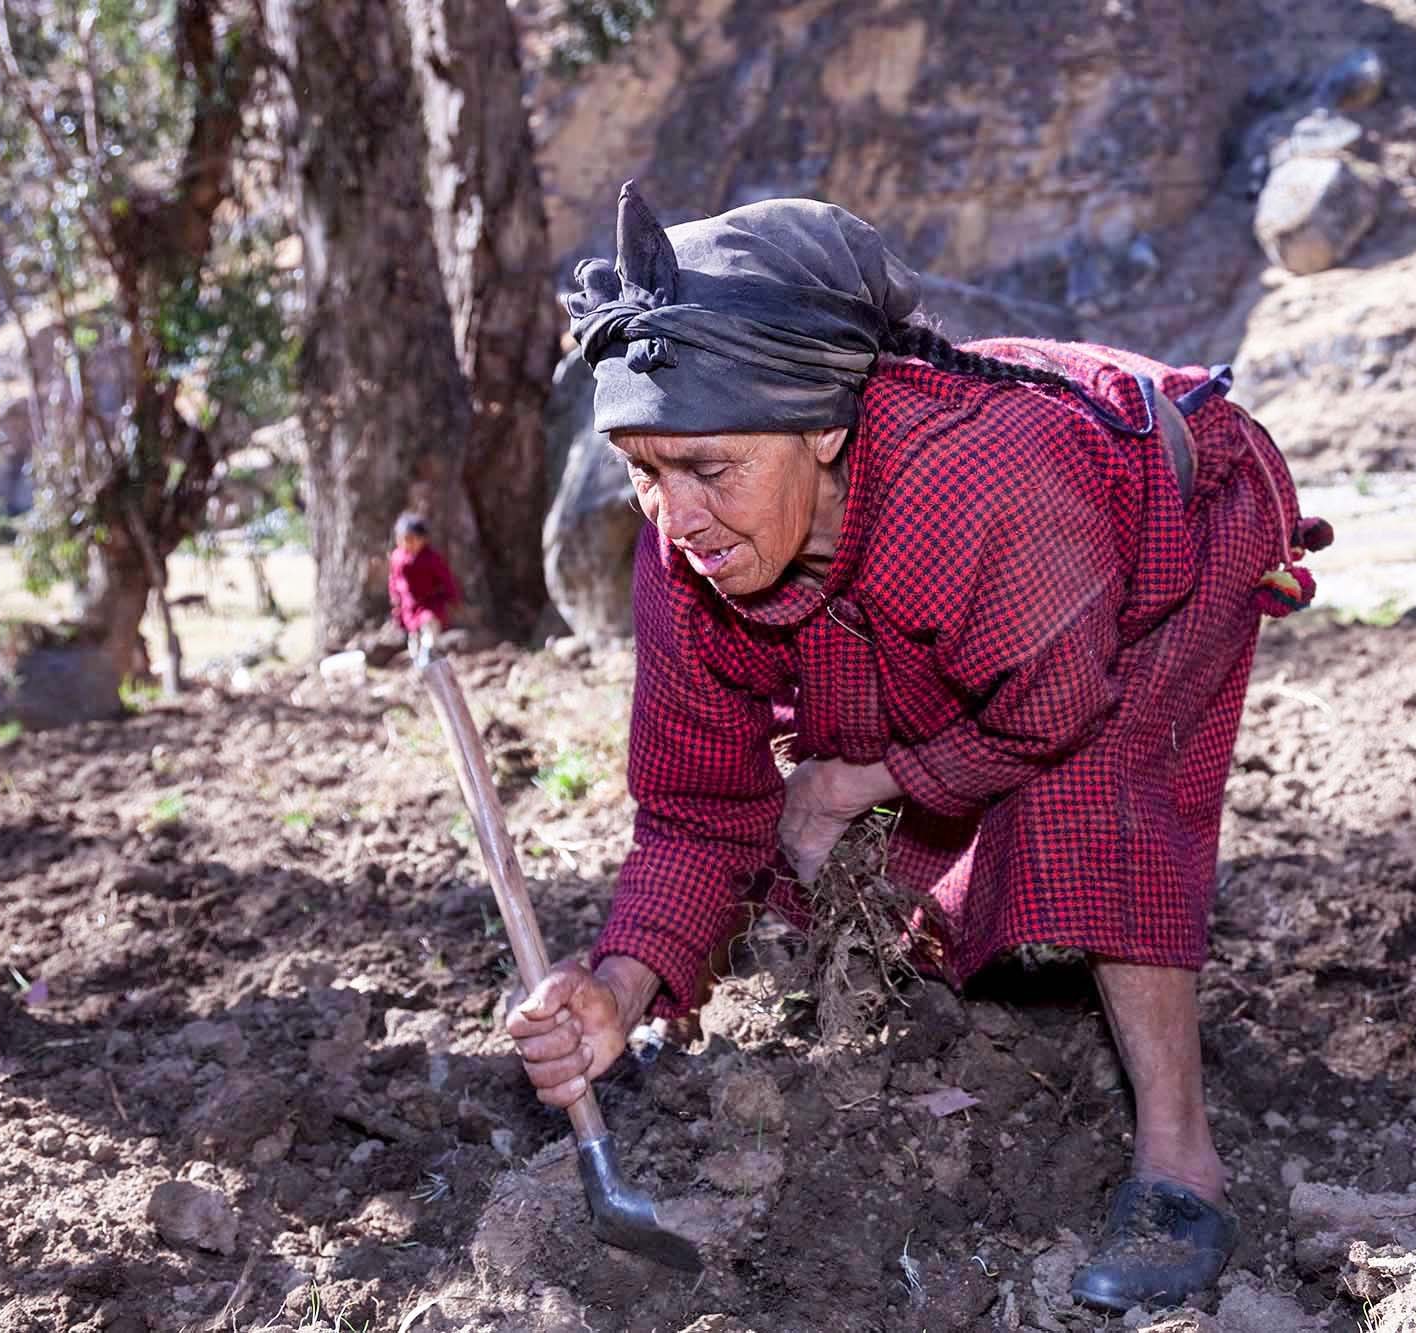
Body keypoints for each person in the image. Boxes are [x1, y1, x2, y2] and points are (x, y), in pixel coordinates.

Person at [505, 183, 1326, 1312]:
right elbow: (697, 808)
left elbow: (1044, 710)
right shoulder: (686, 557)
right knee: (854, 761)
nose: (676, 519)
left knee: (1088, 778)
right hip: (949, 587)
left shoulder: (984, 487)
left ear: (824, 431)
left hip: (1157, 526)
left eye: (707, 468)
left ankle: (1178, 1163)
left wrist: (860, 779)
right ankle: (967, 968)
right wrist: (616, 983)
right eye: (644, 472)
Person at [387, 513, 461, 666]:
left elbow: (446, 578)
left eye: (412, 539)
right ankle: (420, 665)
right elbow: (394, 581)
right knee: (414, 640)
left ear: (423, 539)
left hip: (429, 604)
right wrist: (396, 603)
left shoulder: (431, 558)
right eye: (403, 540)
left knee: (429, 628)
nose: (408, 544)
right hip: (408, 607)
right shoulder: (397, 558)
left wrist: (453, 598)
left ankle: (429, 656)